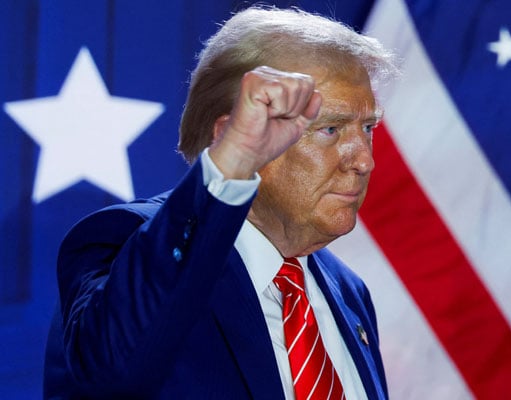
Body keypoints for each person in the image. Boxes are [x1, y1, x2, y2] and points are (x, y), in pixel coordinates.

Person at [43, 6, 398, 399]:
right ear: (237, 135)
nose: (365, 160)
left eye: (367, 128)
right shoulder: (125, 243)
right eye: (330, 128)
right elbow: (111, 377)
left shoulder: (347, 290)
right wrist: (233, 163)